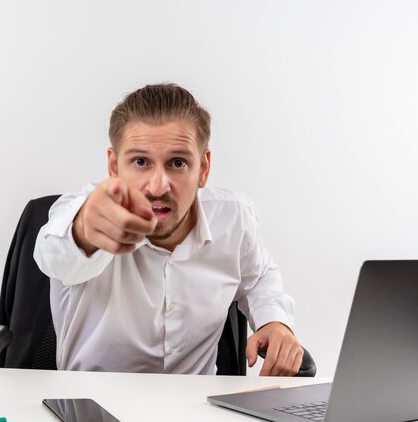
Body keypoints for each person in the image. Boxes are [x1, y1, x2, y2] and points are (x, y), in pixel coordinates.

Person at [34, 83, 303, 376]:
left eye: (177, 163)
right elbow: (54, 254)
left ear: (203, 168)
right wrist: (86, 228)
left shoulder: (234, 217)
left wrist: (274, 321)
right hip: (92, 406)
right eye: (140, 162)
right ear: (113, 166)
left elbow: (259, 276)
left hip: (197, 407)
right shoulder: (84, 211)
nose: (158, 186)